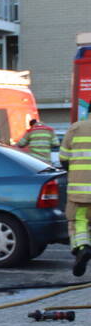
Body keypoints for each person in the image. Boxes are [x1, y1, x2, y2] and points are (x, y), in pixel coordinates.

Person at [60, 118, 91, 276]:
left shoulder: (76, 128)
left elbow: (63, 159)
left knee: (78, 221)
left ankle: (82, 248)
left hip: (79, 190)